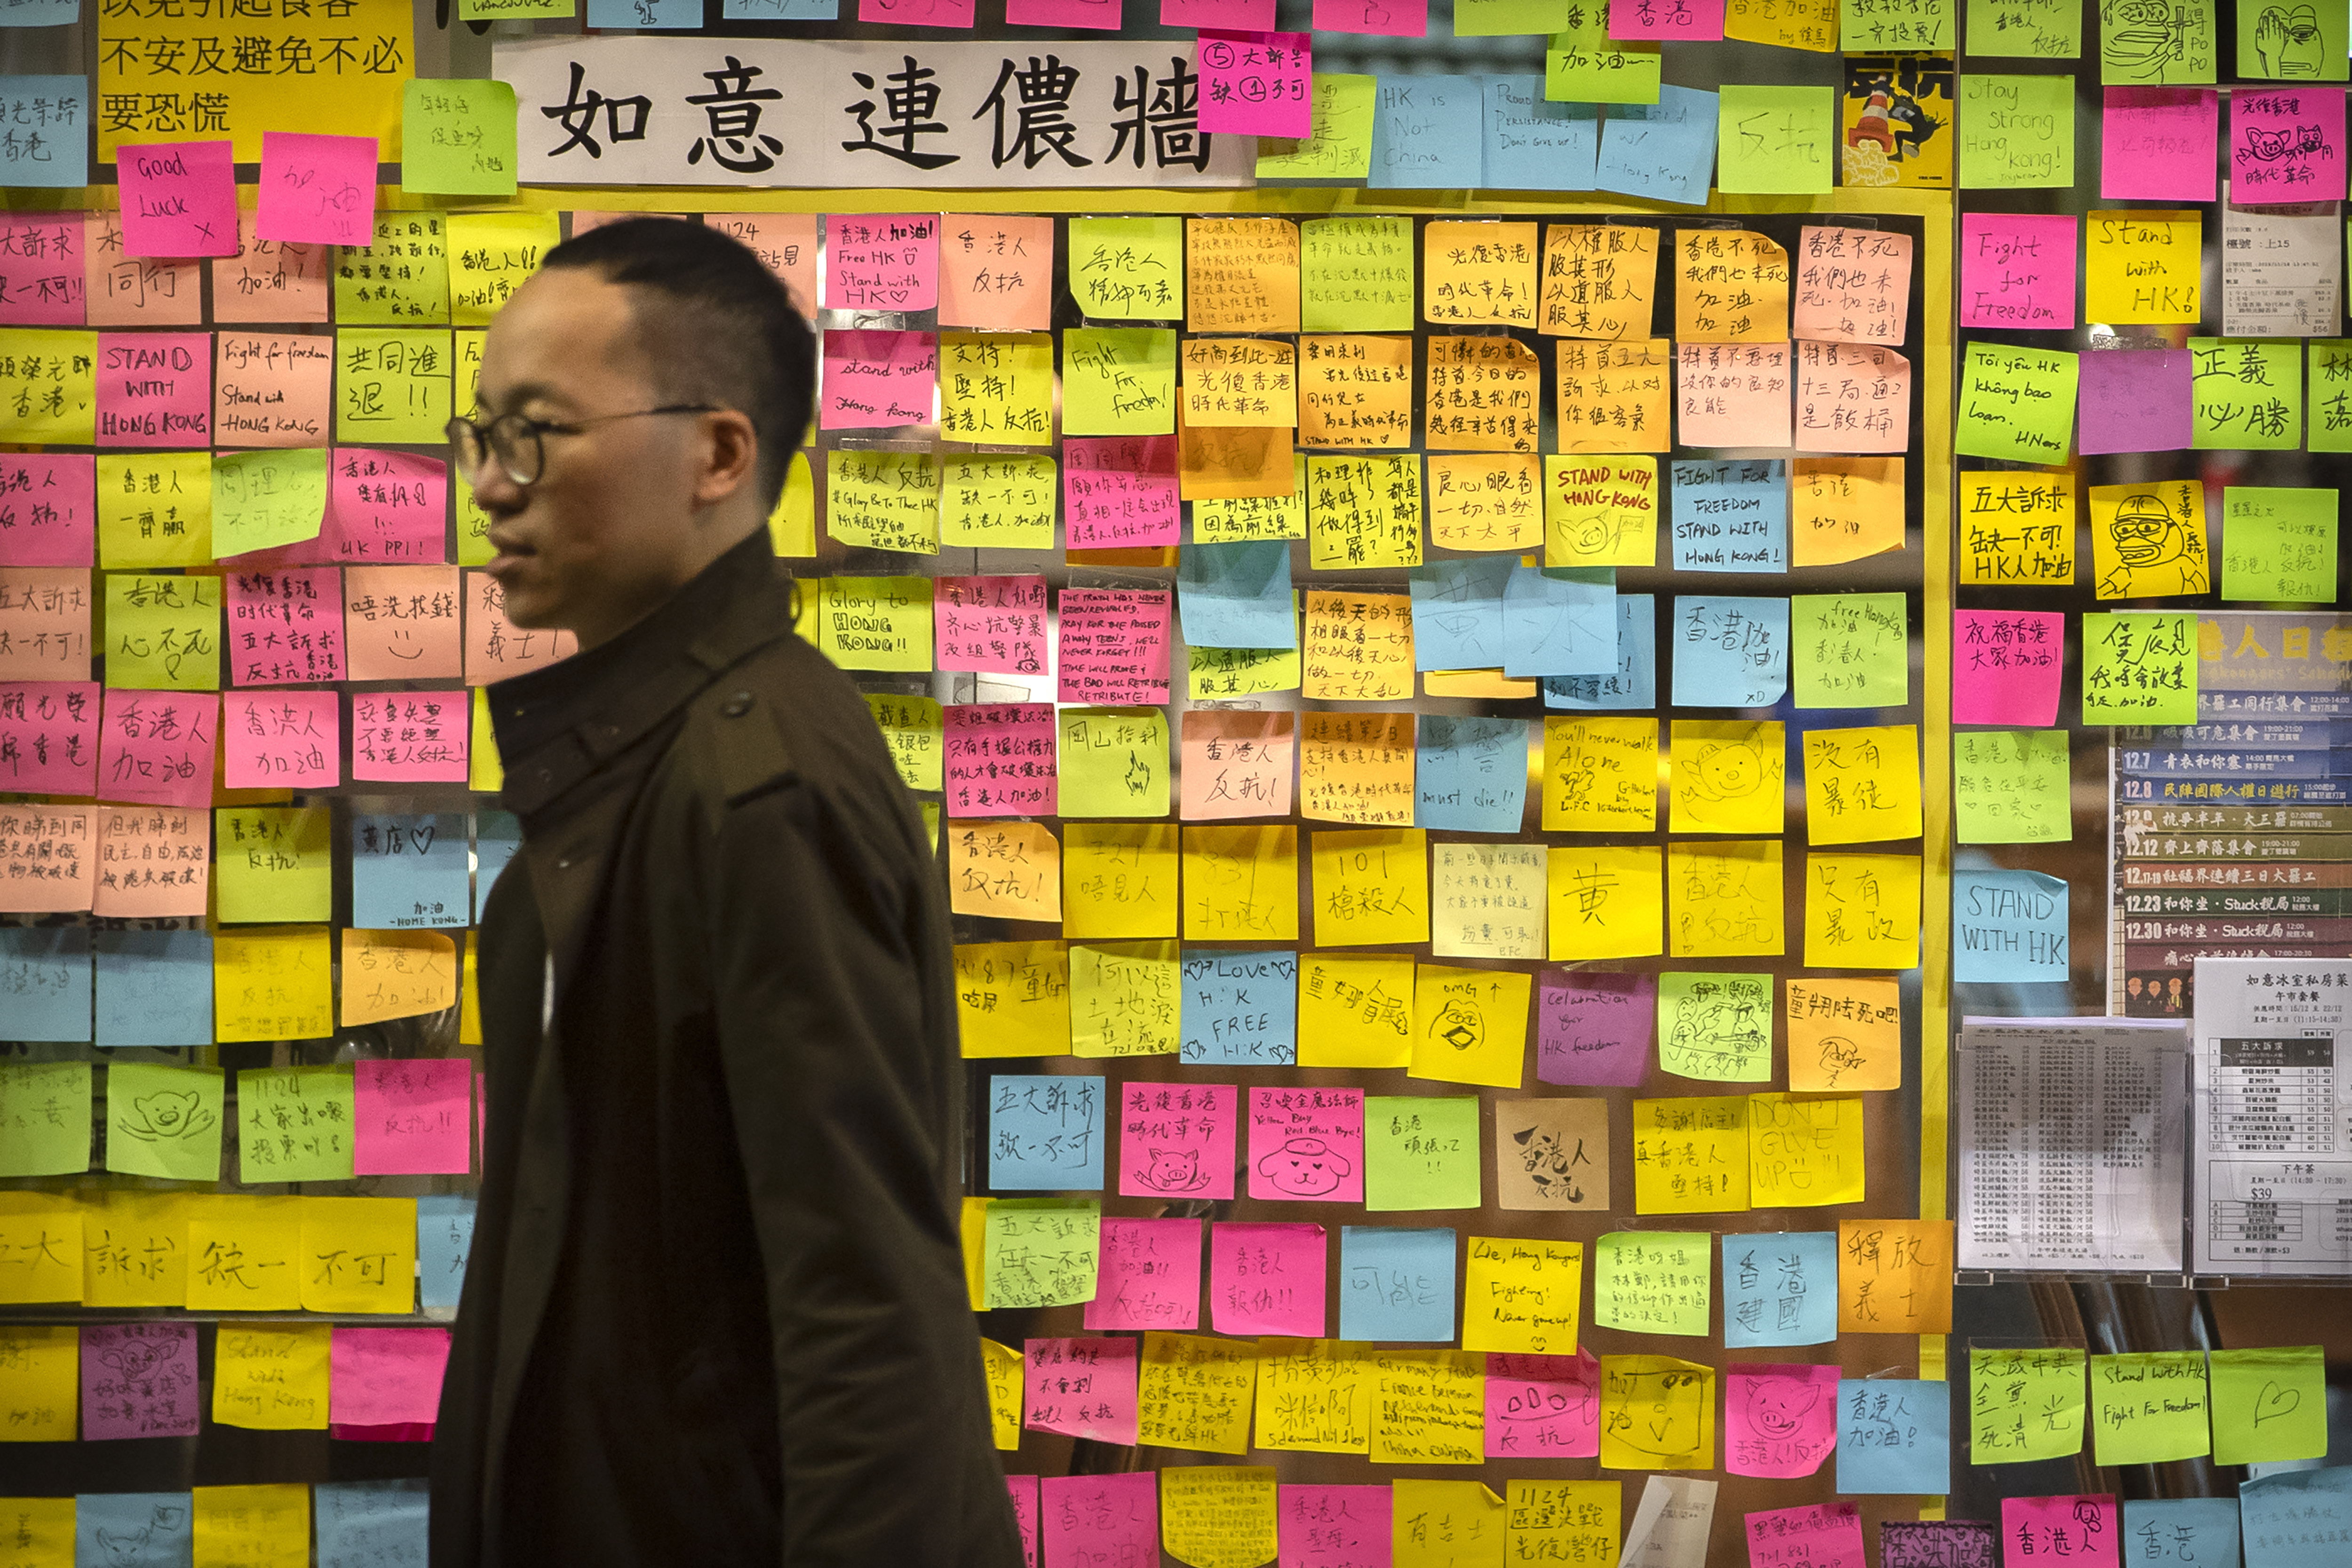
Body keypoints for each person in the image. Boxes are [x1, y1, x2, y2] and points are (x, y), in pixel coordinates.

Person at [429, 217, 1023, 1568]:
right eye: (480, 436)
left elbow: (867, 1314)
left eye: (535, 434)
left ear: (717, 453)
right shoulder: (648, 760)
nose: (491, 488)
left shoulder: (756, 784)